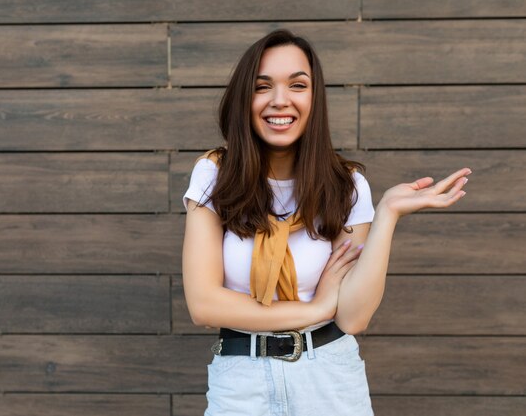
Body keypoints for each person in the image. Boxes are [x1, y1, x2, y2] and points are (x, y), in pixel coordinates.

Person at [181, 29, 470, 416]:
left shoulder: (346, 185)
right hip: (241, 383)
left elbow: (352, 316)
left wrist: (386, 215)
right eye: (262, 87)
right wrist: (317, 308)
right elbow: (204, 304)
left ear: (314, 98)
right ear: (243, 99)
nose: (280, 100)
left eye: (297, 85)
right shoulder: (214, 174)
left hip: (330, 380)